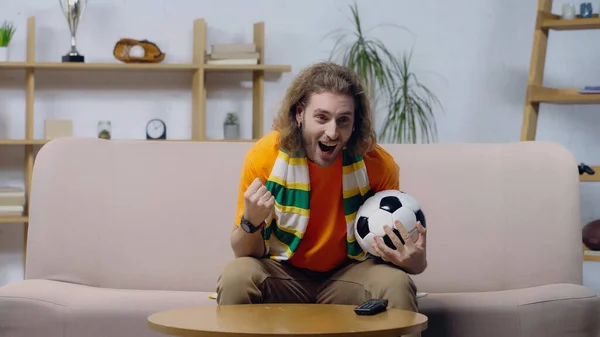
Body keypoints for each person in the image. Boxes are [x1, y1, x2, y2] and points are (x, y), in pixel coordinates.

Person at [216, 62, 427, 318]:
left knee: (396, 284)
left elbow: (393, 255)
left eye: (343, 120)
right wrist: (251, 222)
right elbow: (242, 253)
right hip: (283, 273)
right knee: (236, 277)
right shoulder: (264, 158)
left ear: (355, 122)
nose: (332, 132)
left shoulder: (378, 165)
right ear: (299, 113)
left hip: (348, 275)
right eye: (322, 118)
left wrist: (416, 262)